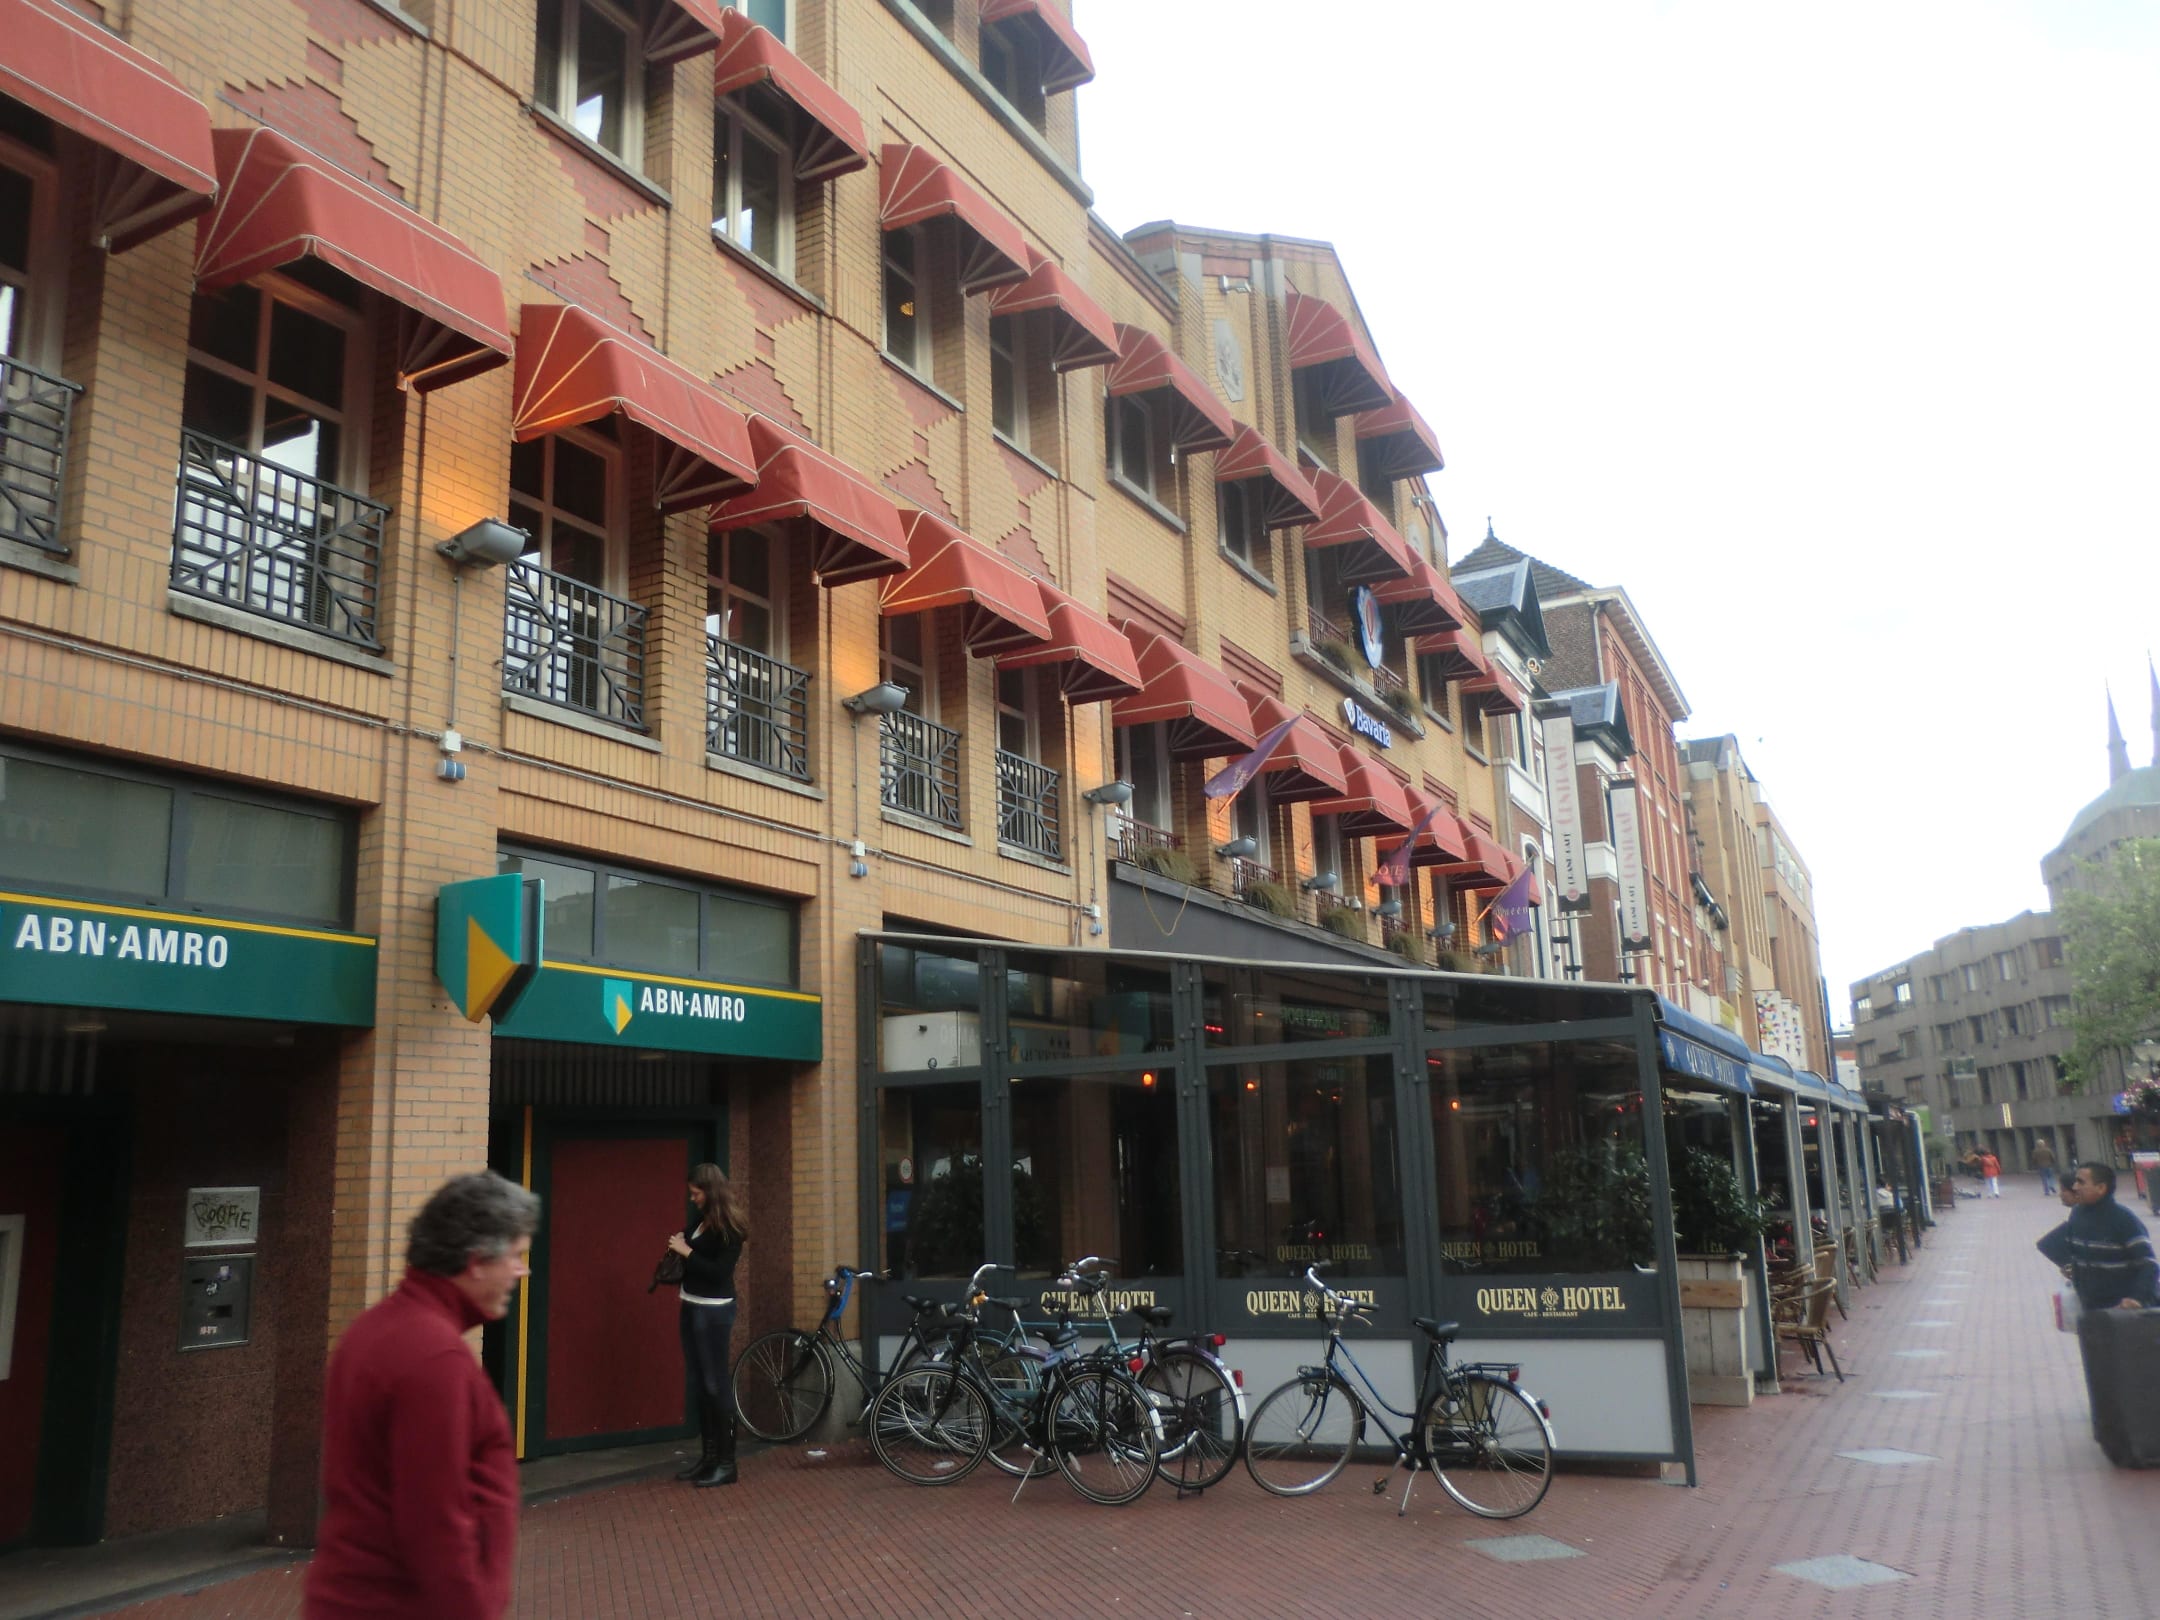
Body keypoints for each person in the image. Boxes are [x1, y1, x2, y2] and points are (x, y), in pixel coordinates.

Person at [305, 1171, 540, 1620]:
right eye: (515, 1255)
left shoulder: (373, 1330)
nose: (521, 1271)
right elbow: (435, 1522)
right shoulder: (435, 1359)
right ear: (476, 1261)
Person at [670, 1162, 748, 1488]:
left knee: (716, 1384)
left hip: (714, 1311)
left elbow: (719, 1273)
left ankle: (727, 1464)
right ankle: (709, 1457)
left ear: (711, 1192)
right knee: (700, 1383)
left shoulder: (730, 1228)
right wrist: (682, 1242)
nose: (693, 1198)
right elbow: (690, 1246)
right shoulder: (702, 1220)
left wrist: (686, 1252)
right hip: (691, 1304)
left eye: (696, 1193)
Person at [2036, 1162, 2159, 1313]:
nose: (2075, 1187)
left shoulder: (2123, 1219)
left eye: (2081, 1182)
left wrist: (2137, 1298)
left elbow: (2149, 1264)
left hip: (2123, 1312)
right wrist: (2073, 1268)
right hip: (2090, 1308)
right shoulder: (2077, 1214)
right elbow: (2076, 1254)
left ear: (2101, 1188)